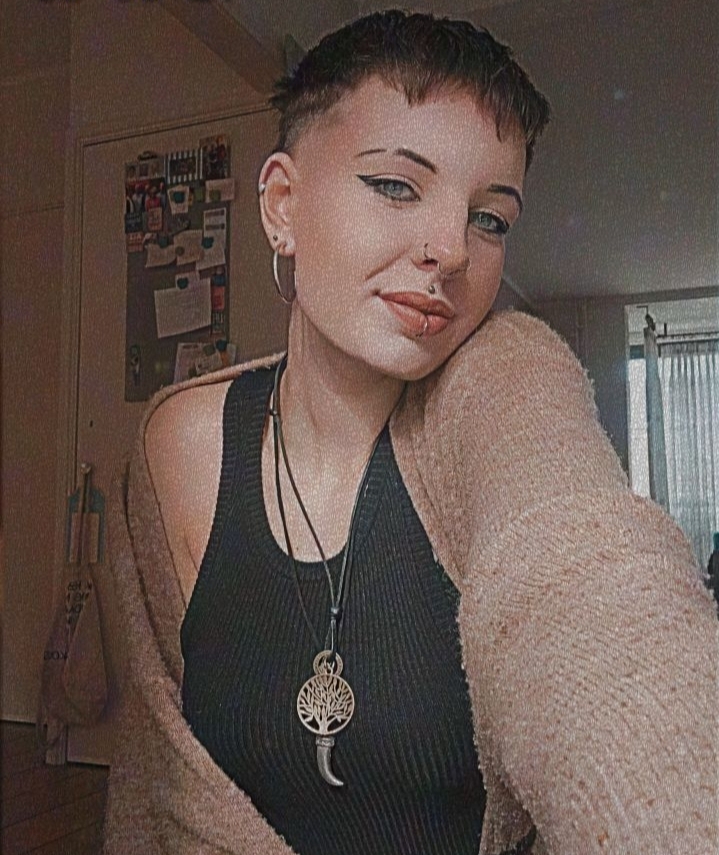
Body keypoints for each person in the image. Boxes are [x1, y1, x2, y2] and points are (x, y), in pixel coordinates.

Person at [104, 10, 718, 855]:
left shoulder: (509, 383)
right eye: (396, 185)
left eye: (490, 219)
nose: (450, 250)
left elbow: (593, 596)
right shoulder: (175, 445)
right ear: (282, 204)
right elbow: (158, 784)